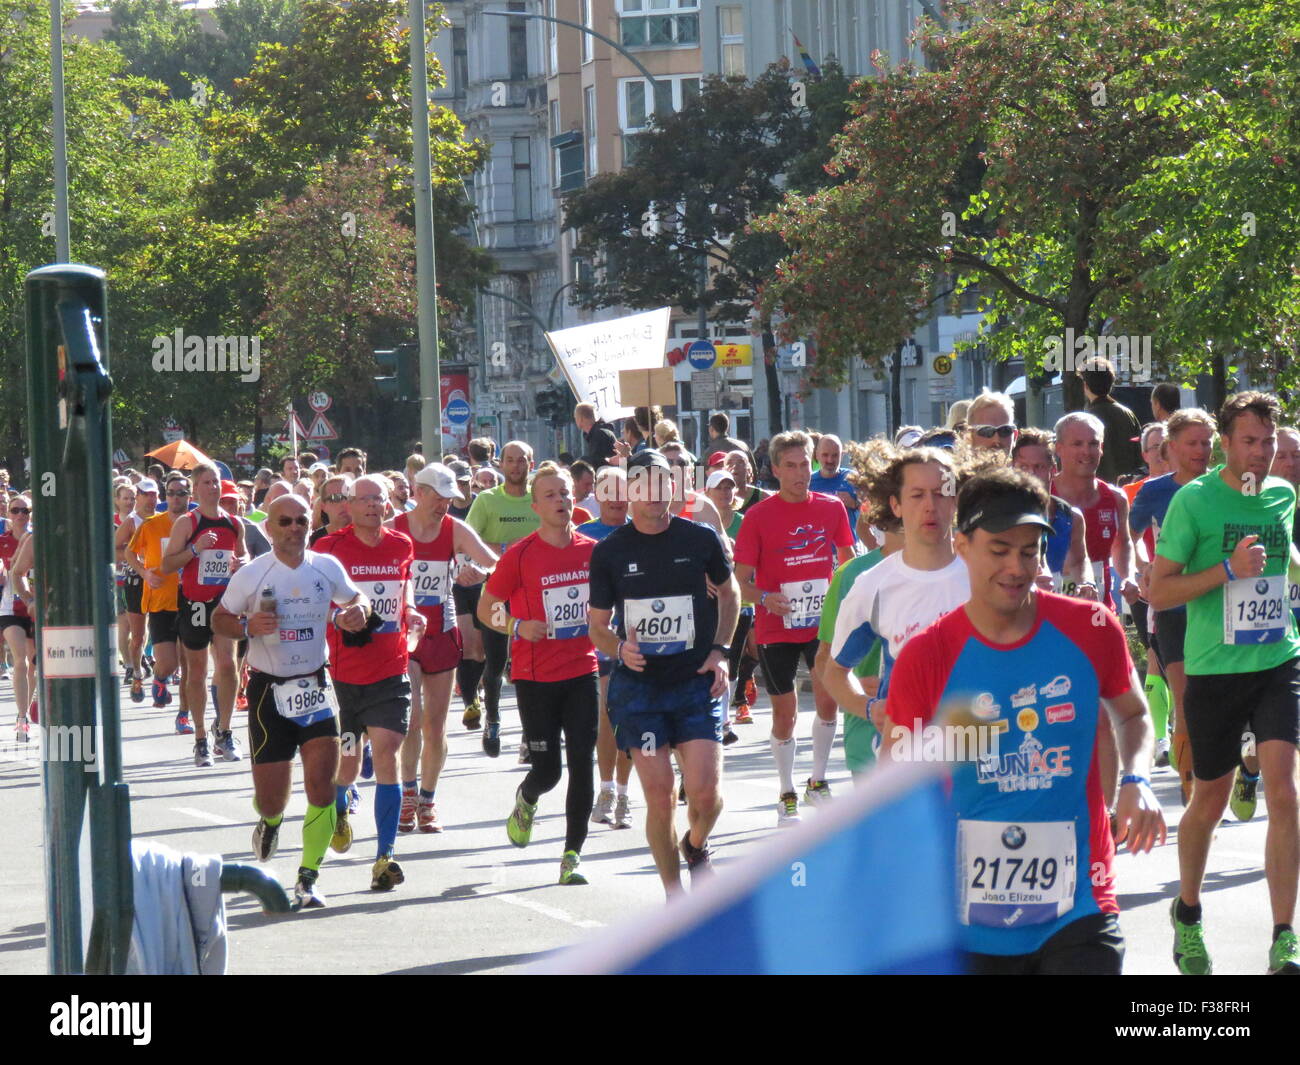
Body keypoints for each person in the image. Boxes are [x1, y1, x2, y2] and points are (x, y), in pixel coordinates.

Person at [884, 466, 1165, 973]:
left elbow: (1133, 713)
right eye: (999, 550)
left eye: (1029, 550)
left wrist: (1137, 779)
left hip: (1079, 902)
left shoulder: (1092, 628)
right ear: (963, 544)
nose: (1016, 567)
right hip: (963, 921)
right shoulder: (927, 656)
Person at [1149, 391, 1300, 974]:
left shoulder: (1284, 495)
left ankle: (1284, 935)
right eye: (1250, 442)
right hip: (1214, 669)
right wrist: (1228, 570)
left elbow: (1284, 559)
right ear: (1225, 444)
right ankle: (1187, 913)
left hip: (1277, 661)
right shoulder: (1195, 501)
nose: (1261, 455)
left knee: (1284, 789)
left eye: (1268, 443)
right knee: (1208, 801)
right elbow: (1160, 590)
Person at [588, 450, 740, 896]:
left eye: (663, 484)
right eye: (645, 485)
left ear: (675, 488)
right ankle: (675, 899)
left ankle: (695, 845)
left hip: (695, 680)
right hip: (641, 690)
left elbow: (731, 597)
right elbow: (597, 626)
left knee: (706, 794)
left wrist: (721, 651)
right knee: (659, 794)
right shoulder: (609, 552)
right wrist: (619, 648)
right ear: (630, 492)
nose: (655, 495)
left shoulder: (701, 539)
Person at [212, 493, 370, 909]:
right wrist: (246, 624)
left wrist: (358, 612)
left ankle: (308, 877)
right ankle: (270, 821)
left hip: (315, 685)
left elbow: (356, 599)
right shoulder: (252, 574)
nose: (295, 528)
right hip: (268, 691)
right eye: (286, 522)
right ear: (269, 528)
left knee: (322, 786)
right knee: (272, 798)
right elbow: (219, 618)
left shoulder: (326, 566)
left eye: (302, 520)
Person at [478, 463, 600, 885]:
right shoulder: (520, 554)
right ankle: (527, 797)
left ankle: (572, 856)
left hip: (583, 669)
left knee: (584, 763)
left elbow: (609, 604)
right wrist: (517, 626)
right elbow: (485, 609)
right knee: (549, 771)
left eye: (565, 493)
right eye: (550, 495)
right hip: (535, 677)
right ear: (535, 506)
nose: (561, 501)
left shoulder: (591, 550)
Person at [824, 444, 971, 778]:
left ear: (956, 500)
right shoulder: (874, 585)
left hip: (979, 753)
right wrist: (869, 707)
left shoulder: (988, 574)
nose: (930, 506)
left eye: (941, 493)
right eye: (917, 495)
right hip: (907, 760)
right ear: (896, 505)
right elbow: (834, 671)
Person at [734, 431, 855, 824]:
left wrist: (842, 592)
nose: (801, 472)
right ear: (775, 470)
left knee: (827, 702)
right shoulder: (757, 517)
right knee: (784, 714)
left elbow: (848, 559)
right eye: (792, 466)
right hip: (776, 626)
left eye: (806, 464)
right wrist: (766, 597)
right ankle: (786, 790)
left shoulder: (831, 507)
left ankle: (817, 781)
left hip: (820, 624)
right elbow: (741, 581)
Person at [316, 475, 424, 892]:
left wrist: (412, 611)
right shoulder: (329, 549)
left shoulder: (401, 544)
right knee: (347, 760)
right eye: (365, 500)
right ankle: (341, 807)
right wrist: (337, 618)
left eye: (379, 499)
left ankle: (385, 855)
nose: (374, 505)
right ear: (349, 505)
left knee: (388, 752)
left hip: (391, 669)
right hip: (344, 676)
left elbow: (404, 586)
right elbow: (310, 600)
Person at [392, 464, 497, 833]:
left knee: (436, 726)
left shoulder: (454, 529)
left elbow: (492, 563)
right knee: (412, 719)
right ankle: (406, 793)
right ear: (417, 492)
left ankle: (428, 798)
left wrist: (478, 574)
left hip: (442, 631)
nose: (443, 505)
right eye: (437, 497)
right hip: (405, 634)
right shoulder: (395, 528)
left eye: (448, 498)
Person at [1131, 409, 1215, 800]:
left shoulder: (1222, 487)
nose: (1201, 450)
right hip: (1173, 609)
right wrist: (1142, 566)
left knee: (1219, 698)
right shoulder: (1154, 491)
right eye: (1192, 443)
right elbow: (1130, 537)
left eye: (1206, 442)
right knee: (1184, 701)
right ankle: (1190, 786)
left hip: (1215, 606)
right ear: (1172, 448)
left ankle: (1234, 766)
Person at [160, 463, 247, 766]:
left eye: (216, 482)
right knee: (196, 671)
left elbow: (244, 556)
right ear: (196, 489)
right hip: (194, 602)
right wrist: (195, 550)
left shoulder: (235, 523)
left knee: (227, 664)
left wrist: (241, 563)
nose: (213, 487)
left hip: (225, 601)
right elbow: (168, 565)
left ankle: (224, 731)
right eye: (206, 483)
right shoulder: (187, 522)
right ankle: (200, 738)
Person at [465, 440, 541, 759]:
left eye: (521, 460)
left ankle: (529, 735)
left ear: (530, 464)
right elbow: (467, 541)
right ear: (500, 464)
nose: (515, 466)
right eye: (509, 460)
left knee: (530, 668)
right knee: (495, 663)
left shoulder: (539, 500)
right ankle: (493, 720)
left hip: (533, 597)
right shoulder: (486, 500)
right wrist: (496, 550)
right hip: (496, 595)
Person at [579, 465, 634, 828]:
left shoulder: (642, 531)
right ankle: (606, 788)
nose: (616, 498)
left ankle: (625, 794)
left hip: (641, 636)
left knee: (628, 718)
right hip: (600, 636)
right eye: (608, 491)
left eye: (622, 490)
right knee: (606, 716)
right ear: (597, 496)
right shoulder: (583, 534)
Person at [129, 474, 191, 732]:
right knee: (169, 662)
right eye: (172, 493)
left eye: (181, 493)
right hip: (161, 602)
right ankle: (160, 678)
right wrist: (145, 573)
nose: (176, 497)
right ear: (166, 497)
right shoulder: (151, 525)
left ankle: (184, 715)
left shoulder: (197, 525)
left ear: (189, 496)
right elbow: (130, 552)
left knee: (189, 664)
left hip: (190, 601)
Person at [1010, 428, 1090, 594]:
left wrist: (1086, 583)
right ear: (1012, 469)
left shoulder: (1071, 516)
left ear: (1052, 470)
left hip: (1055, 608)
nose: (1030, 473)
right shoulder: (1003, 517)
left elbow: (1080, 561)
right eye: (1023, 466)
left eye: (1039, 466)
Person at [0, 496, 34, 741]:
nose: (21, 514)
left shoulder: (38, 541)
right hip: (11, 609)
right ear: (9, 514)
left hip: (37, 609)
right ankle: (22, 718)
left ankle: (28, 708)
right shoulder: (2, 542)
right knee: (20, 659)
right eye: (16, 510)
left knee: (35, 664)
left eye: (26, 510)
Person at [1079, 356, 1143, 484]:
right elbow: (1139, 454)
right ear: (1111, 382)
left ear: (1085, 385)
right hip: (1129, 487)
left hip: (1099, 491)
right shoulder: (1128, 414)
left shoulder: (1087, 420)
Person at [809, 434, 861, 540]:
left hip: (849, 548)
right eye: (825, 455)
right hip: (817, 549)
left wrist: (855, 504)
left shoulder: (854, 479)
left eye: (835, 455)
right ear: (816, 455)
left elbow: (873, 513)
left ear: (841, 455)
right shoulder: (807, 482)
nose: (830, 460)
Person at [574, 403, 619, 468]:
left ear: (581, 419)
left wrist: (584, 461)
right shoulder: (598, 433)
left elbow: (597, 462)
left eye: (575, 417)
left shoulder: (599, 435)